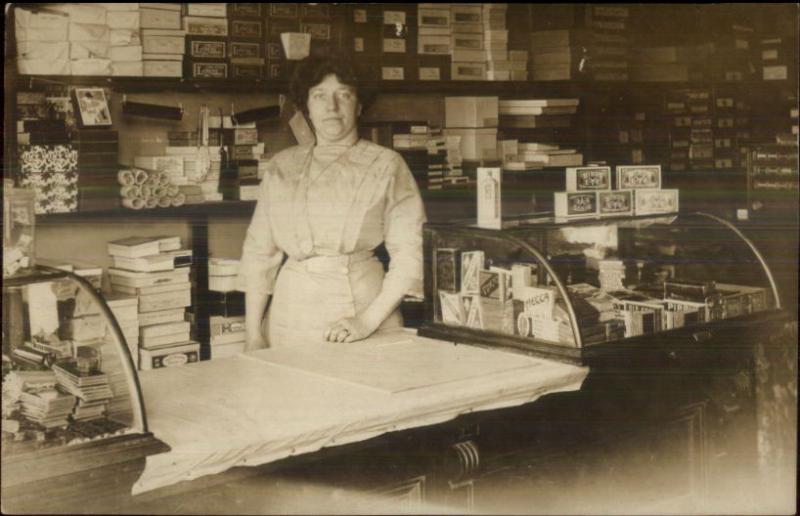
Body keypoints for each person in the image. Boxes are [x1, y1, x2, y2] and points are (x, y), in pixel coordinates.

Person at [237, 56, 426, 349]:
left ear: (359, 105)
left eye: (344, 95)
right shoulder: (282, 166)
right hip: (290, 316)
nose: (332, 107)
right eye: (319, 96)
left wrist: (366, 320)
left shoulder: (387, 164)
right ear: (306, 107)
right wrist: (253, 335)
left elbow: (410, 254)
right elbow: (259, 253)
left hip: (364, 310)